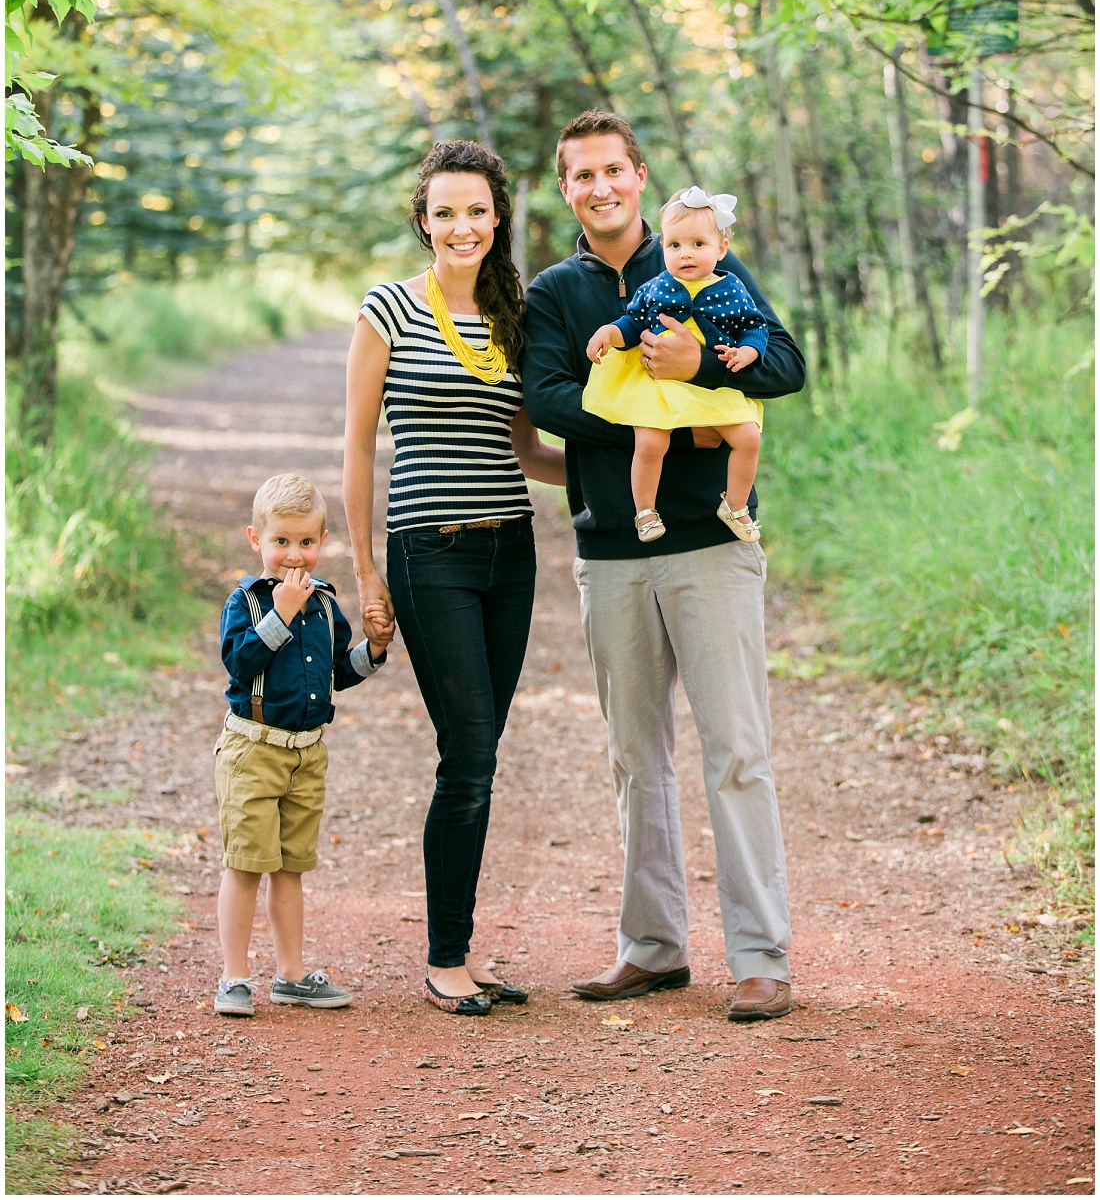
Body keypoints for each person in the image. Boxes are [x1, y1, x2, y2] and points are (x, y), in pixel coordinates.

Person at [523, 110, 805, 1022]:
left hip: (713, 548)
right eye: (581, 176)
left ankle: (761, 956)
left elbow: (787, 364)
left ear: (639, 175)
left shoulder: (699, 254)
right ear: (565, 190)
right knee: (634, 755)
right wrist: (662, 401)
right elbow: (549, 396)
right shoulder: (556, 292)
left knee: (737, 752)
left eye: (613, 169)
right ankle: (652, 948)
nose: (599, 187)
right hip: (611, 548)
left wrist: (700, 368)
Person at [343, 140, 566, 1016]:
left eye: (477, 210)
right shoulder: (390, 308)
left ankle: (461, 951)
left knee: (482, 753)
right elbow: (358, 447)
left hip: (511, 552)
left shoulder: (514, 315)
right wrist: (365, 573)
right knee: (467, 752)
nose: (462, 226)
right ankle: (444, 958)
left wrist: (615, 463)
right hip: (426, 552)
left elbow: (523, 450)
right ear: (422, 219)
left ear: (498, 215)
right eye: (445, 211)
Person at [214, 473, 386, 1018]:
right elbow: (240, 665)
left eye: (306, 542)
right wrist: (281, 612)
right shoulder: (246, 601)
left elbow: (338, 672)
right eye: (281, 542)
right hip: (254, 750)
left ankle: (290, 974)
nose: (294, 555)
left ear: (323, 540)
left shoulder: (325, 602)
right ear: (255, 539)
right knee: (246, 863)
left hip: (307, 754)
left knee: (291, 867)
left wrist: (373, 650)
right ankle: (234, 977)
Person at [584, 184, 769, 544]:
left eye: (698, 244)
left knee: (748, 436)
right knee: (651, 441)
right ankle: (645, 511)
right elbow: (633, 323)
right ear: (663, 247)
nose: (686, 254)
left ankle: (735, 505)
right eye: (675, 245)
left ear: (721, 248)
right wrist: (609, 331)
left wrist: (748, 352)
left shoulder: (732, 288)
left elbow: (753, 326)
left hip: (712, 382)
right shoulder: (655, 288)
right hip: (661, 383)